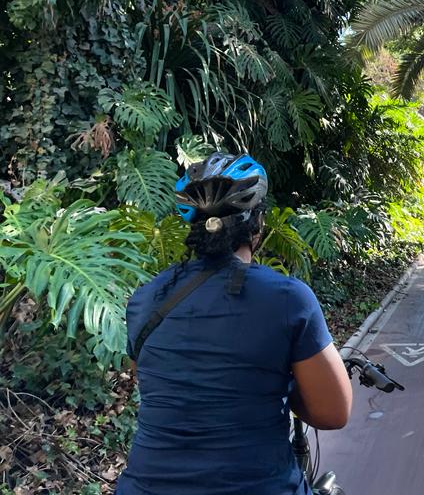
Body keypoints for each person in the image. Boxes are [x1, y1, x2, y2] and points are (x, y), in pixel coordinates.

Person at [117, 153, 353, 495]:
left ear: (192, 227)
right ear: (257, 226)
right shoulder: (287, 298)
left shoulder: (144, 299)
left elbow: (155, 384)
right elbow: (333, 413)